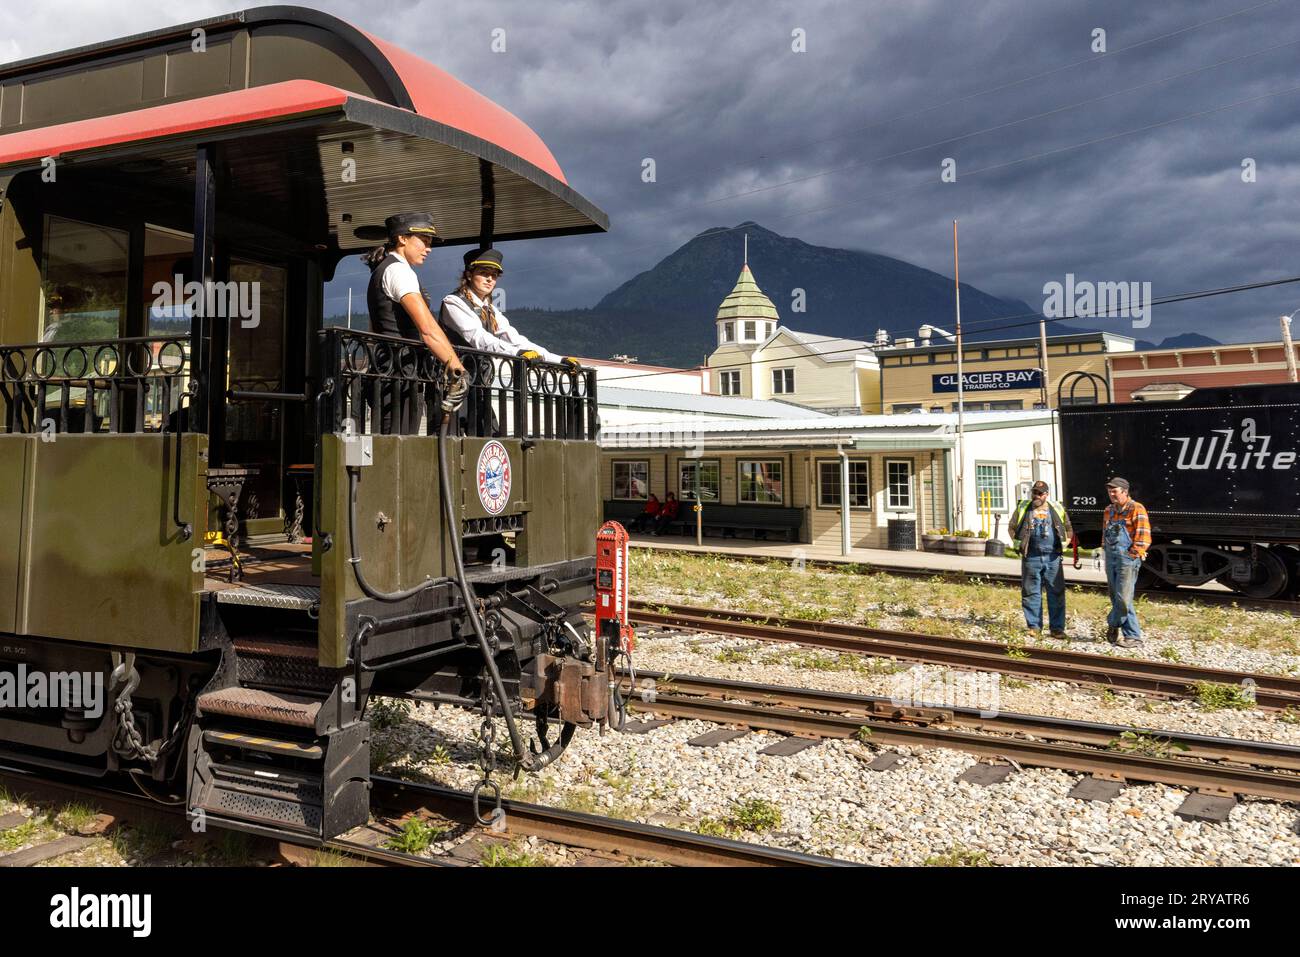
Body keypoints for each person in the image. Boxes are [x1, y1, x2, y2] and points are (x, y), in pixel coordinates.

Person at [363, 212, 466, 429]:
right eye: (424, 241)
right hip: (398, 375)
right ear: (402, 238)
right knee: (397, 449)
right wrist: (456, 367)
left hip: (391, 372)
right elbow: (427, 328)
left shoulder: (387, 268)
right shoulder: (399, 270)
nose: (429, 248)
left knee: (395, 446)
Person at [438, 248, 580, 368]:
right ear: (469, 275)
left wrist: (558, 359)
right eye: (484, 273)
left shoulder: (491, 310)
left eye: (494, 275)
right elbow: (479, 338)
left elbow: (513, 338)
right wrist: (517, 353)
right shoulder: (454, 302)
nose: (490, 279)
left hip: (478, 377)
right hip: (452, 375)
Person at [1008, 479, 1074, 639]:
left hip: (1053, 557)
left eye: (1040, 493)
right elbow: (1011, 527)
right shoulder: (1023, 507)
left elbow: (1068, 528)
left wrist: (1064, 545)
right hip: (1031, 557)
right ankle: (1034, 627)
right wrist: (1020, 544)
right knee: (1031, 592)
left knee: (1056, 592)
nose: (1036, 496)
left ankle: (1057, 629)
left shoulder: (1057, 508)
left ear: (1046, 494)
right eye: (1034, 493)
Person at [1101, 476, 1151, 648]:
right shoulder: (1108, 510)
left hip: (1127, 559)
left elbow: (1144, 537)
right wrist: (1105, 550)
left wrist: (1132, 555)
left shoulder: (1137, 509)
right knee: (1117, 597)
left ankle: (1113, 623)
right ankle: (1133, 637)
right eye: (1110, 492)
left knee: (1123, 599)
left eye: (1115, 491)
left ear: (1125, 491)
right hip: (1111, 557)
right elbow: (1105, 533)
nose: (1112, 495)